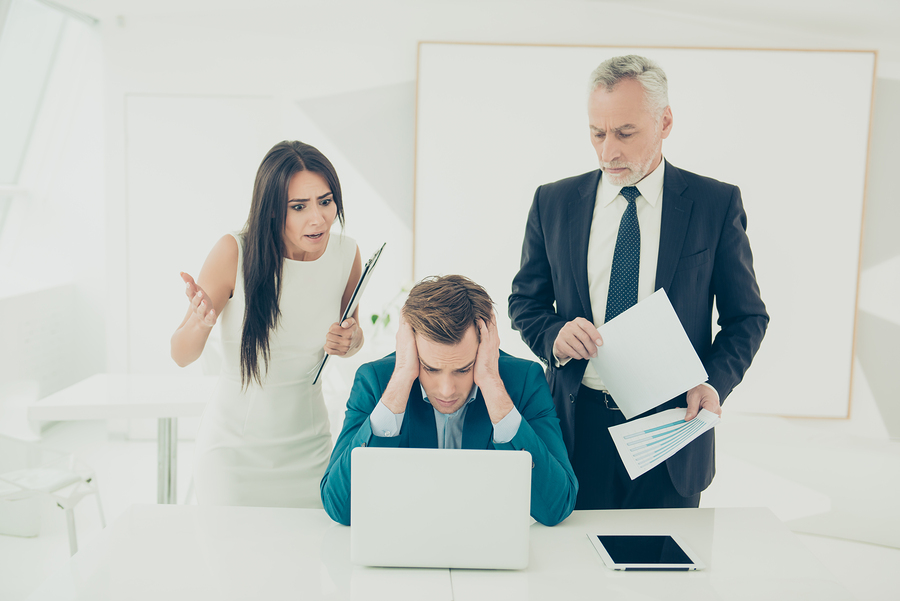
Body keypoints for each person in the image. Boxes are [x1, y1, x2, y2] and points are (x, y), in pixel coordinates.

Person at [508, 55, 768, 510]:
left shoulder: (715, 204)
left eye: (626, 133)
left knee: (665, 576)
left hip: (672, 432)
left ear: (665, 122)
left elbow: (746, 318)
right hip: (575, 428)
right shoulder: (553, 202)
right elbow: (524, 303)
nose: (609, 150)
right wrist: (555, 336)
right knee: (573, 576)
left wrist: (713, 383)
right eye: (597, 133)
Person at [171, 140, 364, 508]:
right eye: (299, 207)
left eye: (326, 201)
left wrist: (350, 340)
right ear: (273, 211)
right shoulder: (235, 252)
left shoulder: (346, 254)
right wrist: (199, 323)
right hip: (233, 456)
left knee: (309, 563)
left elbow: (353, 334)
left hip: (310, 451)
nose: (318, 218)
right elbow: (180, 354)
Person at [321, 275, 577, 526]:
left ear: (485, 344)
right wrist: (400, 380)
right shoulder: (375, 381)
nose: (446, 391)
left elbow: (557, 506)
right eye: (430, 369)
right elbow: (339, 507)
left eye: (463, 370)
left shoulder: (523, 381)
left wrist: (491, 385)